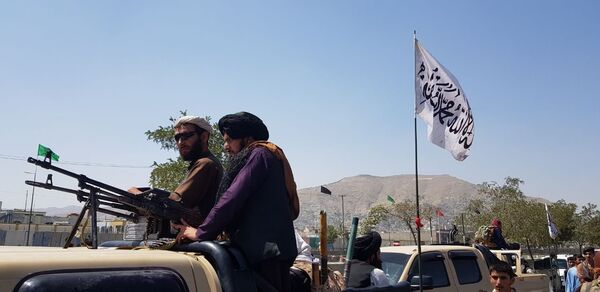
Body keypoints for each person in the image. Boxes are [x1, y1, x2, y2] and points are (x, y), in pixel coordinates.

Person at [173, 111, 299, 292]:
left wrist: (201, 233)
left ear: (247, 139)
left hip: (268, 254)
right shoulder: (261, 155)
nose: (225, 146)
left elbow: (232, 197)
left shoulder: (260, 155)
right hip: (266, 253)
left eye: (229, 140)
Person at [129, 115, 223, 236]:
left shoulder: (205, 164)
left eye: (186, 136)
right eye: (177, 138)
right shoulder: (202, 163)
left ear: (204, 136)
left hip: (197, 238)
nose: (180, 143)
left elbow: (172, 204)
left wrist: (138, 195)